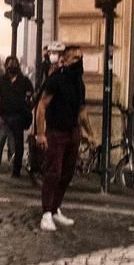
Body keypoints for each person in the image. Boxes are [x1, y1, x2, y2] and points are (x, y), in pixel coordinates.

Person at [36, 44, 93, 231]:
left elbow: (82, 111)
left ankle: (54, 209)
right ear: (66, 60)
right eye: (75, 58)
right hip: (56, 132)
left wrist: (90, 134)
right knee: (53, 172)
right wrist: (41, 133)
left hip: (72, 132)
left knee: (67, 174)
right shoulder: (56, 79)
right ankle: (46, 214)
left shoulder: (79, 83)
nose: (79, 61)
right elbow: (42, 106)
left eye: (81, 57)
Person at [0, 56, 34, 178]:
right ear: (6, 65)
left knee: (18, 145)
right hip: (4, 117)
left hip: (18, 117)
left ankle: (16, 171)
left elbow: (31, 98)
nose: (12, 66)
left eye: (14, 64)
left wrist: (27, 108)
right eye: (9, 64)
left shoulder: (24, 81)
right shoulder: (1, 80)